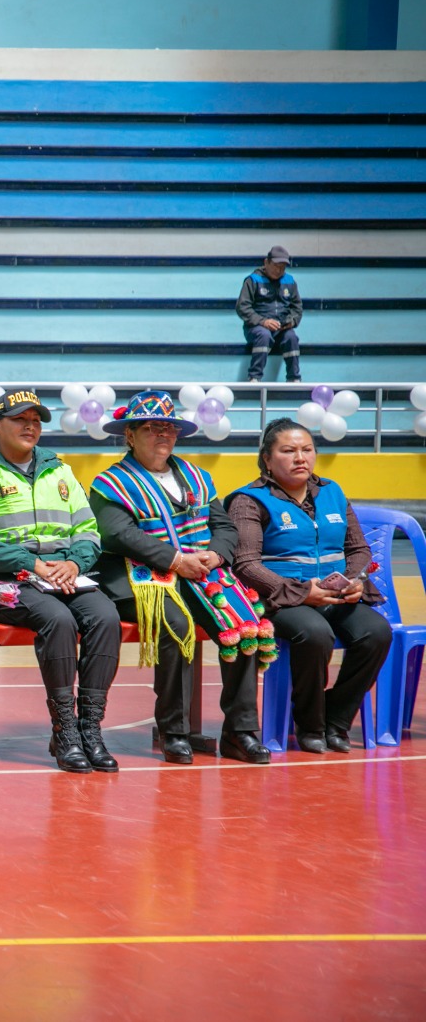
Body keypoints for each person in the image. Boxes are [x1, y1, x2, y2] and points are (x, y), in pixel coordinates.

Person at [87, 390, 268, 766]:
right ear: (130, 435)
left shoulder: (198, 479)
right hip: (135, 576)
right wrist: (176, 560)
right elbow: (119, 535)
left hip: (201, 572)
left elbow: (224, 526)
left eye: (169, 428)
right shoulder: (110, 483)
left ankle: (240, 731)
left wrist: (215, 554)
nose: (163, 435)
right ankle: (175, 731)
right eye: (152, 428)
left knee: (244, 618)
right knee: (175, 622)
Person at [0, 388, 120, 774]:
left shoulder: (60, 470)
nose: (30, 427)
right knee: (58, 620)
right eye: (20, 420)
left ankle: (89, 729)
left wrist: (75, 565)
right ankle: (64, 730)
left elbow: (88, 530)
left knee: (105, 616)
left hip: (62, 577)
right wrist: (32, 563)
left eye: (35, 422)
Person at [227, 419, 390, 753]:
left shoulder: (332, 492)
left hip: (336, 595)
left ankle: (337, 719)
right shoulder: (248, 501)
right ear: (267, 459)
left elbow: (358, 549)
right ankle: (309, 723)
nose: (300, 457)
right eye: (288, 451)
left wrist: (355, 581)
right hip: (281, 601)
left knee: (377, 633)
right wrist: (301, 592)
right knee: (315, 634)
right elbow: (246, 565)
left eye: (307, 450)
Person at [236, 245, 302, 384]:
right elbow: (242, 307)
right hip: (256, 328)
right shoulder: (253, 280)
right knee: (263, 335)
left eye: (283, 267)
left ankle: (294, 378)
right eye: (277, 266)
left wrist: (291, 321)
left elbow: (297, 307)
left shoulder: (290, 281)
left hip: (281, 329)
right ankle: (255, 377)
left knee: (291, 337)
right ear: (266, 262)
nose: (279, 270)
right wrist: (263, 321)